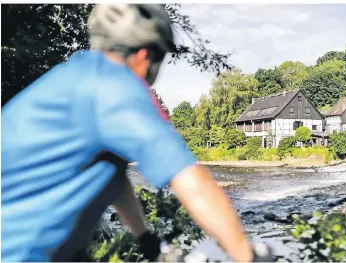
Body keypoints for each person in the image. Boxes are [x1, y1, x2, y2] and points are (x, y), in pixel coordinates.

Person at [1, 4, 273, 262]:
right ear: (145, 55)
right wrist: (246, 253)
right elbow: (189, 179)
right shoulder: (116, 87)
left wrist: (147, 241)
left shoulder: (74, 77)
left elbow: (113, 175)